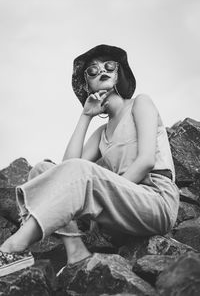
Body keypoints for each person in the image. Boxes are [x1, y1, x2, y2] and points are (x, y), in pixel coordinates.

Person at [0, 44, 180, 277]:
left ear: (119, 73)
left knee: (78, 171)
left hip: (155, 200)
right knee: (42, 171)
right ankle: (76, 253)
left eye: (109, 66)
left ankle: (13, 248)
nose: (101, 71)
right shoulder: (101, 134)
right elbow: (64, 171)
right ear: (88, 86)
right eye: (92, 72)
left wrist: (105, 193)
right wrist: (85, 116)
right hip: (123, 206)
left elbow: (145, 160)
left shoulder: (140, 103)